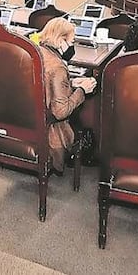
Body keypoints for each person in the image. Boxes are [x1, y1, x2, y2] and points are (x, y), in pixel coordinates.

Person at [36, 18, 97, 172]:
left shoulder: (36, 52)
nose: (72, 46)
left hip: (28, 119)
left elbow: (44, 85)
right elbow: (60, 111)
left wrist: (71, 83)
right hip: (50, 131)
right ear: (61, 40)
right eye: (72, 42)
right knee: (85, 124)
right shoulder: (58, 67)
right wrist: (82, 91)